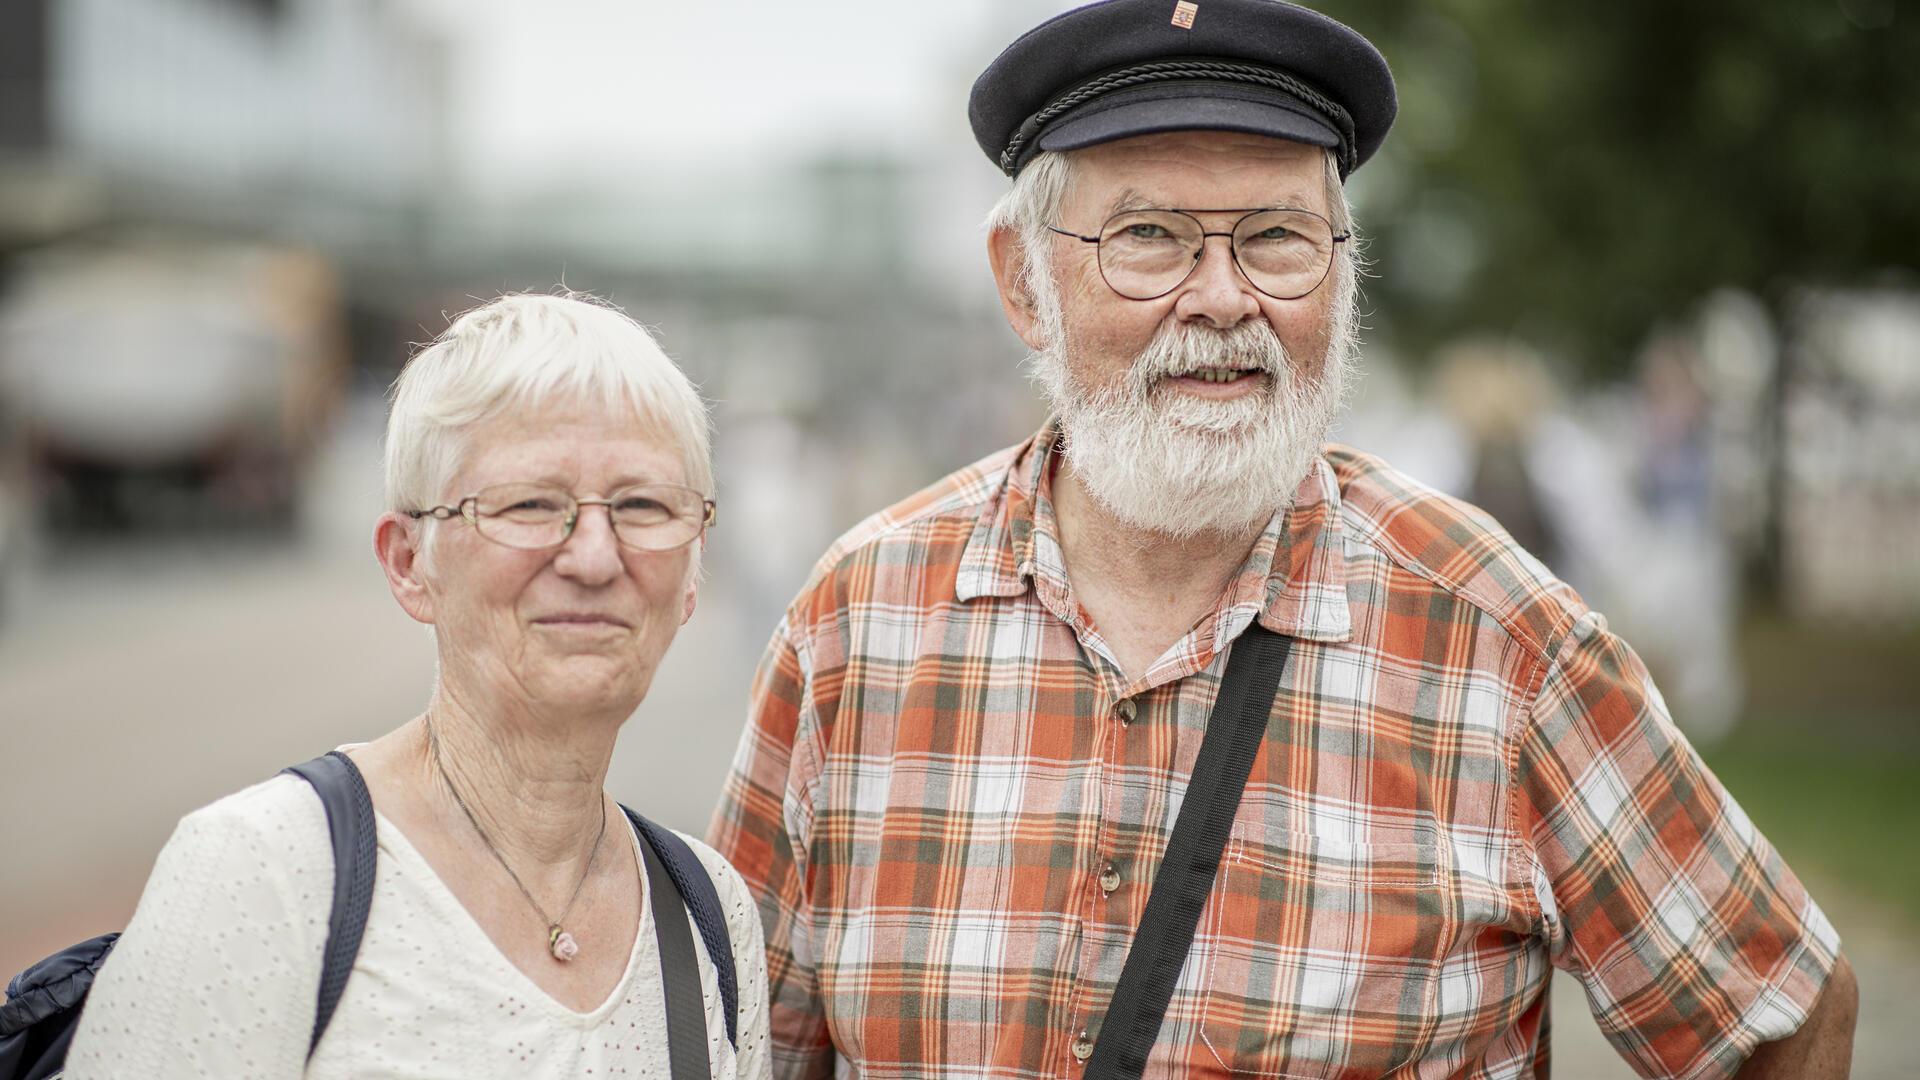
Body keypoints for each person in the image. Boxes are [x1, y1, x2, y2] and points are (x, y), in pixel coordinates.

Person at [707, 2, 1855, 1078]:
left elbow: (1782, 1016)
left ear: (1343, 275)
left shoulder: (1503, 643)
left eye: (1278, 238)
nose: (1222, 297)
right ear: (1023, 283)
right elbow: (741, 1043)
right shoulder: (855, 622)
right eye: (1150, 235)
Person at [66, 293, 771, 1078]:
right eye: (531, 504)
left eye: (643, 505)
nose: (595, 558)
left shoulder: (709, 915)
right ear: (409, 563)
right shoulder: (271, 872)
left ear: (694, 575)